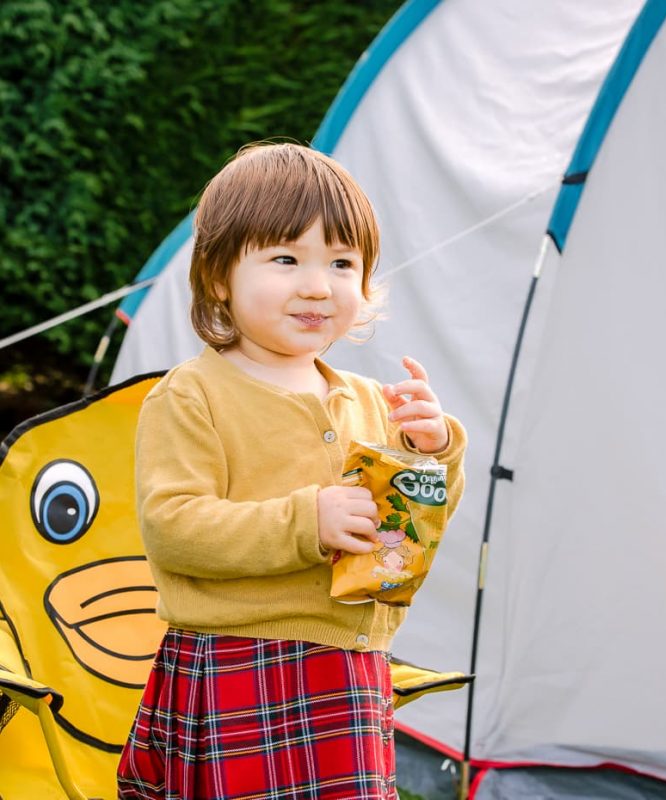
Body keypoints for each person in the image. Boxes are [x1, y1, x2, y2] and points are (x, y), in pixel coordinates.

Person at [117, 142, 467, 799]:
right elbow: (175, 528)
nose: (317, 284)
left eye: (342, 263)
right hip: (238, 664)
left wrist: (433, 450)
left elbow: (413, 530)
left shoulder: (371, 400)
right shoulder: (193, 395)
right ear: (219, 275)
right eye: (285, 258)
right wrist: (308, 519)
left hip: (350, 670)